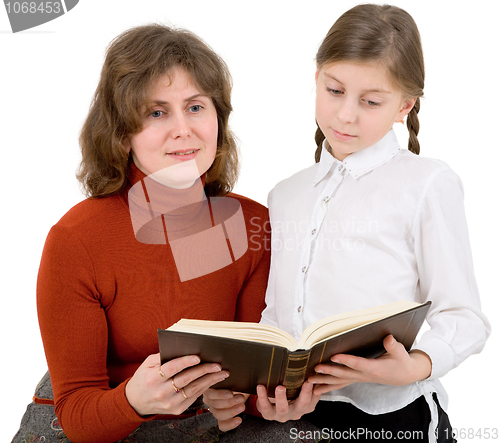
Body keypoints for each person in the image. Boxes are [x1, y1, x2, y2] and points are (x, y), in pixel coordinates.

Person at [204, 5, 490, 442]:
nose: (346, 115)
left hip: (395, 414)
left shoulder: (427, 184)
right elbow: (279, 315)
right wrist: (271, 390)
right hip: (303, 415)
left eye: (371, 101)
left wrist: (416, 365)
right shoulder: (286, 194)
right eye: (334, 90)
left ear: (405, 105)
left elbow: (465, 317)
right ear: (315, 78)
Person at [12, 24, 272, 443]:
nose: (182, 130)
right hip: (96, 422)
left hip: (203, 418)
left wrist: (270, 399)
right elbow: (77, 412)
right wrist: (132, 401)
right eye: (156, 112)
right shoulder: (75, 240)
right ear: (121, 132)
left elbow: (249, 377)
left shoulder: (254, 224)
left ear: (218, 118)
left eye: (195, 107)